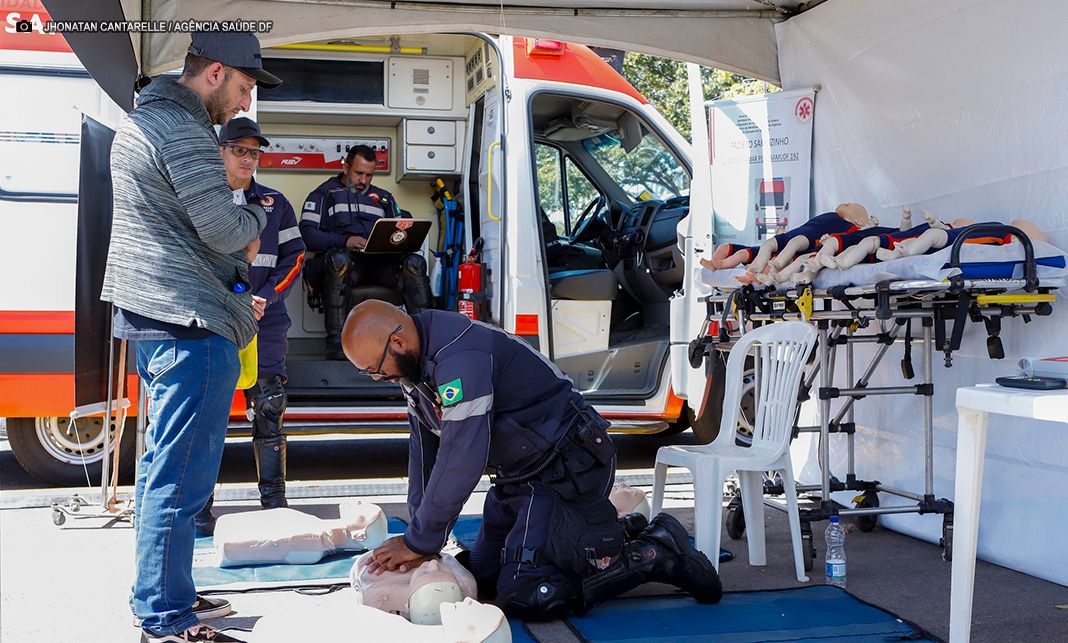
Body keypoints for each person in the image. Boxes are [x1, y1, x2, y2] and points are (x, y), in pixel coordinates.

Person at [341, 301, 722, 621]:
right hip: (519, 477)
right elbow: (424, 451)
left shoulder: (460, 357)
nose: (378, 378)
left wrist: (419, 540)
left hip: (567, 466)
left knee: (527, 592)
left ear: (398, 341)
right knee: (484, 578)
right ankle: (612, 533)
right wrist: (421, 541)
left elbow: (461, 455)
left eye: (375, 369)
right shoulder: (415, 368)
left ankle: (656, 551)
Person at [101, 31, 281, 643]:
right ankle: (167, 620)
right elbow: (226, 230)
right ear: (215, 74)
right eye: (244, 88)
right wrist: (257, 216)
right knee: (180, 477)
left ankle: (161, 594)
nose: (243, 105)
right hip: (191, 321)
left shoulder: (146, 118)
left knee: (162, 468)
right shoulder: (183, 130)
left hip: (158, 317)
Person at [194, 117, 306, 536]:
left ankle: (274, 505)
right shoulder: (202, 198)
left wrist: (267, 297)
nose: (247, 158)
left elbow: (295, 256)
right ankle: (200, 509)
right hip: (216, 321)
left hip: (266, 321)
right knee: (209, 417)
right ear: (220, 151)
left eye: (254, 152)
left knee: (269, 412)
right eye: (239, 150)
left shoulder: (275, 203)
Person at [299, 146, 433, 359]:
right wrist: (346, 240)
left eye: (369, 175)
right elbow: (307, 235)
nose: (363, 179)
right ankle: (337, 344)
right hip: (345, 264)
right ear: (345, 167)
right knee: (339, 260)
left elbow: (398, 230)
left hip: (380, 265)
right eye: (358, 173)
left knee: (414, 262)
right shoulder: (323, 195)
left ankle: (427, 339)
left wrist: (403, 239)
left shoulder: (384, 199)